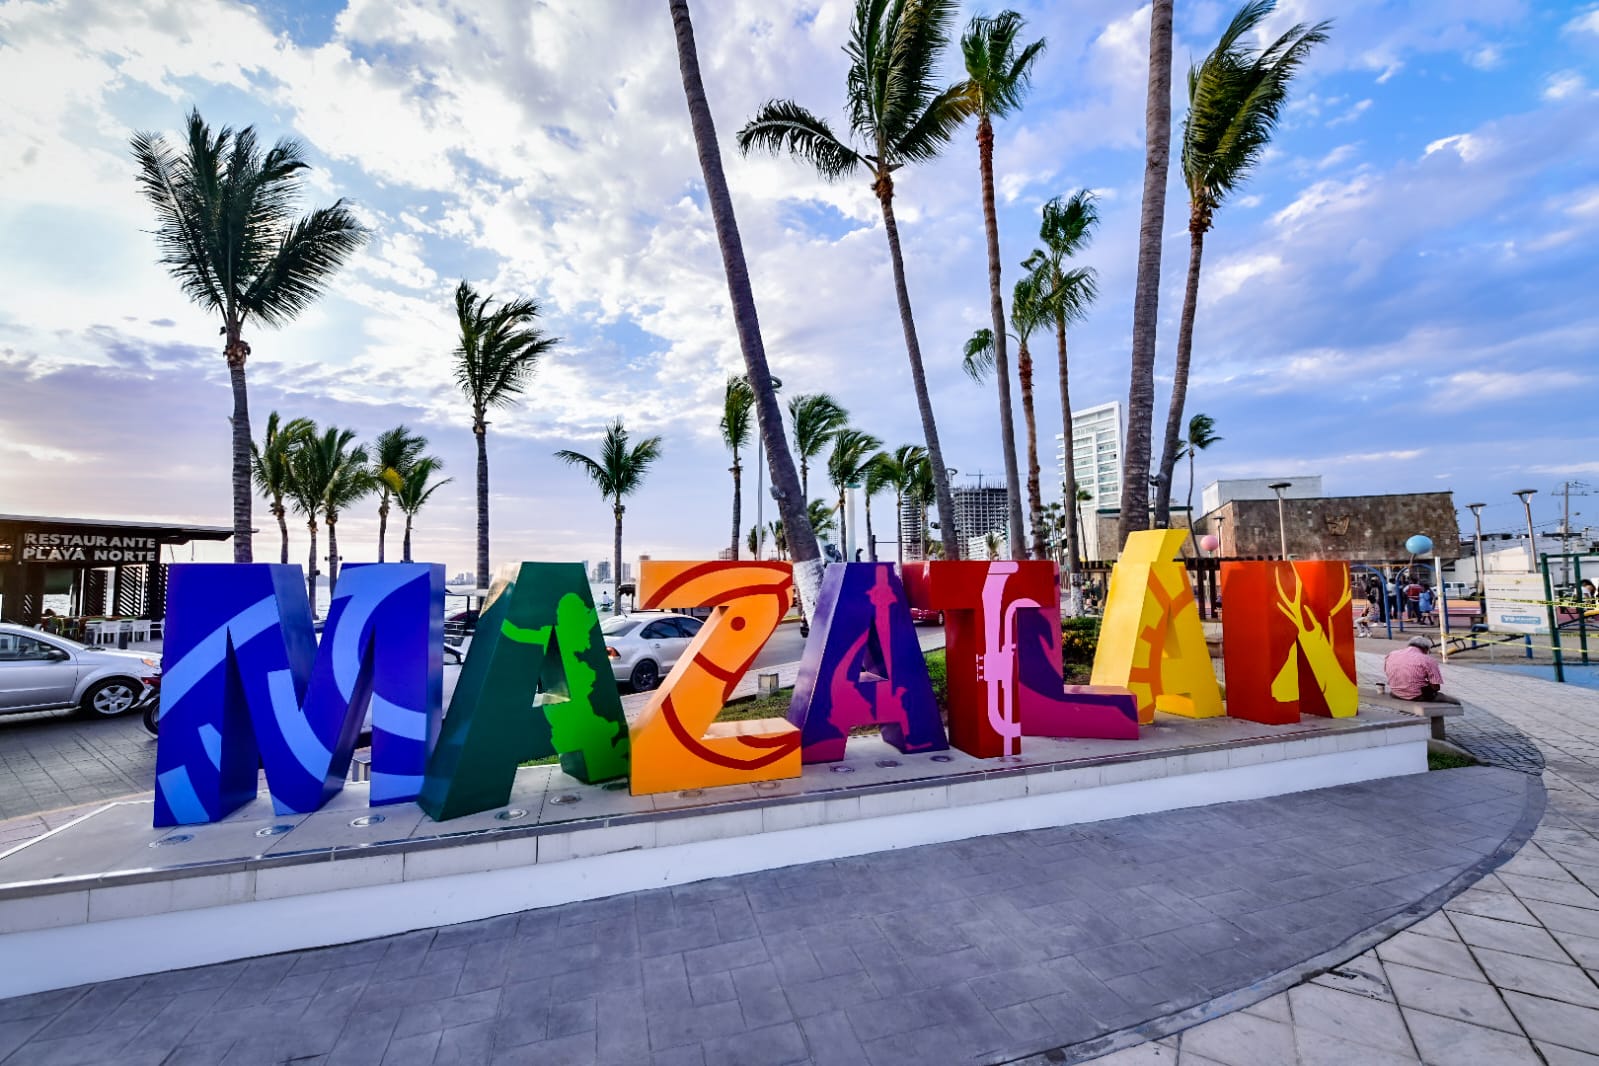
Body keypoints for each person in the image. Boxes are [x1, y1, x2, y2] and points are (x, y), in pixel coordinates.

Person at [1383, 636, 1458, 704]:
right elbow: (1436, 687)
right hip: (1416, 696)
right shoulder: (1428, 660)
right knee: (1454, 701)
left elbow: (1387, 672)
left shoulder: (1392, 654)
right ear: (1425, 649)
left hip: (1395, 693)